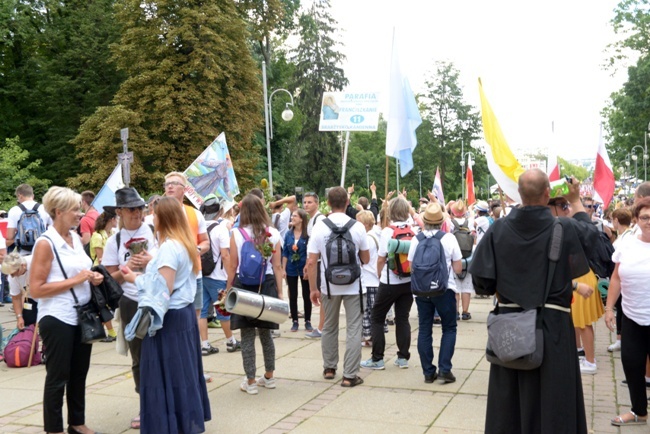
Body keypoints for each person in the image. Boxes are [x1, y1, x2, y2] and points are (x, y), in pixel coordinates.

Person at [469, 169, 596, 434]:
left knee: (509, 407)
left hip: (511, 326)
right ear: (548, 193)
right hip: (554, 330)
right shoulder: (564, 227)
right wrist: (574, 203)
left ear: (519, 194)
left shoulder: (498, 229)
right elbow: (598, 248)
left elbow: (481, 281)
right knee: (554, 403)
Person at [121, 196, 211, 433]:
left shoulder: (170, 247)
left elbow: (163, 289)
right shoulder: (182, 243)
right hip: (182, 315)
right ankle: (181, 422)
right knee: (181, 374)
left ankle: (169, 425)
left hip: (169, 320)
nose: (152, 218)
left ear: (163, 218)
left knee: (167, 375)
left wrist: (134, 278)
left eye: (154, 214)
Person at [29, 186, 104, 434]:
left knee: (79, 373)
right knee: (57, 376)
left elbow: (78, 271)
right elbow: (36, 289)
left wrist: (92, 277)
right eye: (75, 209)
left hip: (81, 315)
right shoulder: (45, 243)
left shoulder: (74, 239)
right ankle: (54, 429)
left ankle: (77, 423)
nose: (80, 213)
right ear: (58, 212)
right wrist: (77, 280)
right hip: (57, 317)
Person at [101, 187, 155, 429]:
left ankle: (163, 402)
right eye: (131, 209)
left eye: (140, 208)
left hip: (157, 299)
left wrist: (149, 262)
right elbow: (107, 279)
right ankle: (145, 405)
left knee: (162, 352)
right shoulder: (115, 240)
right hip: (131, 301)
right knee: (139, 356)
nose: (136, 213)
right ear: (120, 212)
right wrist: (126, 269)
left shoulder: (155, 231)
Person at [307, 186, 369, 387]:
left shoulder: (319, 226)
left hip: (329, 286)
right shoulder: (357, 226)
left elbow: (311, 262)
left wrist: (313, 289)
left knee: (329, 327)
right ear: (347, 202)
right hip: (353, 286)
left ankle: (329, 367)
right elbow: (366, 259)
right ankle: (350, 375)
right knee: (353, 328)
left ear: (328, 203)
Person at [226, 194, 284, 395]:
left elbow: (233, 265)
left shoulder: (236, 234)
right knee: (266, 333)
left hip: (244, 287)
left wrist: (228, 289)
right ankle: (269, 376)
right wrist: (280, 293)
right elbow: (277, 267)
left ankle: (250, 380)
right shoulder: (273, 233)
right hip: (266, 284)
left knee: (247, 334)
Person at [408, 202, 462, 383]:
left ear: (424, 221)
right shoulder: (448, 238)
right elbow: (458, 267)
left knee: (424, 329)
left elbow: (411, 266)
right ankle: (445, 369)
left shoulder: (417, 239)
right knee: (449, 328)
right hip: (444, 289)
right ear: (441, 221)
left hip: (422, 291)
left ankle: (428, 372)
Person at [361, 196, 413, 370]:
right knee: (403, 318)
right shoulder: (412, 231)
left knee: (377, 317)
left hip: (390, 282)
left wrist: (378, 274)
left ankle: (377, 358)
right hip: (408, 281)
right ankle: (403, 357)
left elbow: (381, 258)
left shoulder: (387, 232)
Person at [199, 198, 240, 354]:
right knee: (223, 310)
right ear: (220, 212)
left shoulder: (199, 228)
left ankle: (204, 344)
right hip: (218, 276)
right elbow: (225, 255)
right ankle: (231, 341)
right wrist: (231, 276)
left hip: (202, 274)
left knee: (202, 311)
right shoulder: (220, 229)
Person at [355, 210, 382, 347]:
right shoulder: (377, 235)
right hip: (376, 278)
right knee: (374, 311)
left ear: (364, 224)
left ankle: (369, 337)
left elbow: (364, 260)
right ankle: (373, 336)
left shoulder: (367, 238)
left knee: (367, 311)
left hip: (368, 278)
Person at [282, 208, 312, 332]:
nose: (292, 218)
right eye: (292, 216)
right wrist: (283, 269)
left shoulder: (307, 234)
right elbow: (285, 252)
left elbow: (310, 252)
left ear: (301, 219)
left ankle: (307, 321)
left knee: (306, 294)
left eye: (294, 216)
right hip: (291, 268)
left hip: (304, 267)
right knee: (293, 295)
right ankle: (295, 320)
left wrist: (308, 267)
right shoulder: (288, 234)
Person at [303, 192, 326, 339]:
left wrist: (310, 262)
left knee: (322, 296)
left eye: (309, 202)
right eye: (304, 202)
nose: (306, 205)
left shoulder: (320, 219)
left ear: (317, 203)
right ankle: (322, 326)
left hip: (320, 262)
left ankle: (322, 327)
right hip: (314, 261)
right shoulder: (311, 220)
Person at [6, 183, 52, 254]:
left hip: (23, 252)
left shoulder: (14, 210)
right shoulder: (45, 208)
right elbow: (54, 229)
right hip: (43, 251)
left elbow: (10, 236)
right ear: (33, 195)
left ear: (20, 196)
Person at [2, 251, 34, 330]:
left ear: (22, 266)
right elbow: (16, 298)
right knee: (27, 321)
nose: (12, 277)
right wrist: (19, 317)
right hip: (29, 296)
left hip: (47, 294)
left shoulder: (34, 262)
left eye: (13, 273)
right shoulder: (12, 277)